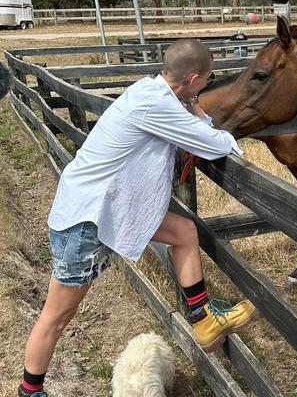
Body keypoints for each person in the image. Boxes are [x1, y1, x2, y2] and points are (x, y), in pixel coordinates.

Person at [18, 39, 258, 397]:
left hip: (109, 209)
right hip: (88, 219)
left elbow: (201, 126)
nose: (207, 87)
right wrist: (202, 114)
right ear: (192, 78)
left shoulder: (153, 92)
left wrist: (192, 102)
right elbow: (216, 142)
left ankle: (203, 319)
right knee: (56, 318)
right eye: (206, 81)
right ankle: (29, 391)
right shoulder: (156, 104)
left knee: (184, 232)